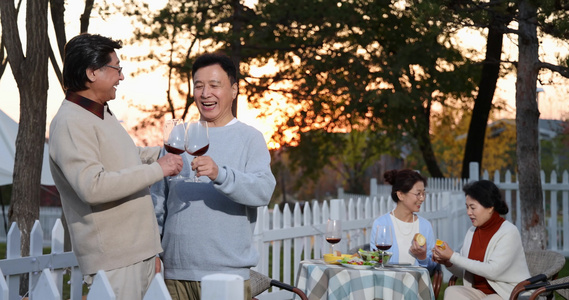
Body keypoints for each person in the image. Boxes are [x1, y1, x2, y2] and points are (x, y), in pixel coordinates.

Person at [49, 33, 184, 299]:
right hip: (115, 261)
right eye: (116, 68)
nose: (121, 77)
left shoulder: (100, 113)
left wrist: (161, 153)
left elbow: (124, 156)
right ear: (91, 72)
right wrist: (158, 169)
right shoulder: (70, 122)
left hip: (138, 254)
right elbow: (93, 186)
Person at [151, 52, 276, 300]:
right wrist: (152, 252)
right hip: (175, 273)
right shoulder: (177, 139)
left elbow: (263, 190)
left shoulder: (250, 138)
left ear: (234, 90)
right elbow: (157, 203)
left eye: (214, 85)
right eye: (199, 86)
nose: (205, 93)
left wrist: (220, 174)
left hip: (227, 274)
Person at [432, 180, 530, 300]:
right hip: (479, 293)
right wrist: (448, 261)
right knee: (451, 291)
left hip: (508, 294)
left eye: (473, 207)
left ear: (490, 207)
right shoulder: (472, 232)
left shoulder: (509, 232)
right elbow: (465, 271)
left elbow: (493, 271)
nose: (468, 212)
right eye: (467, 207)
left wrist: (453, 256)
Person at [370, 169, 438, 273]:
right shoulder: (381, 224)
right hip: (387, 284)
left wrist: (422, 257)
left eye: (424, 193)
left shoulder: (425, 226)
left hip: (416, 285)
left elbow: (432, 267)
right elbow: (375, 263)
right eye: (418, 193)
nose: (422, 198)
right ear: (400, 195)